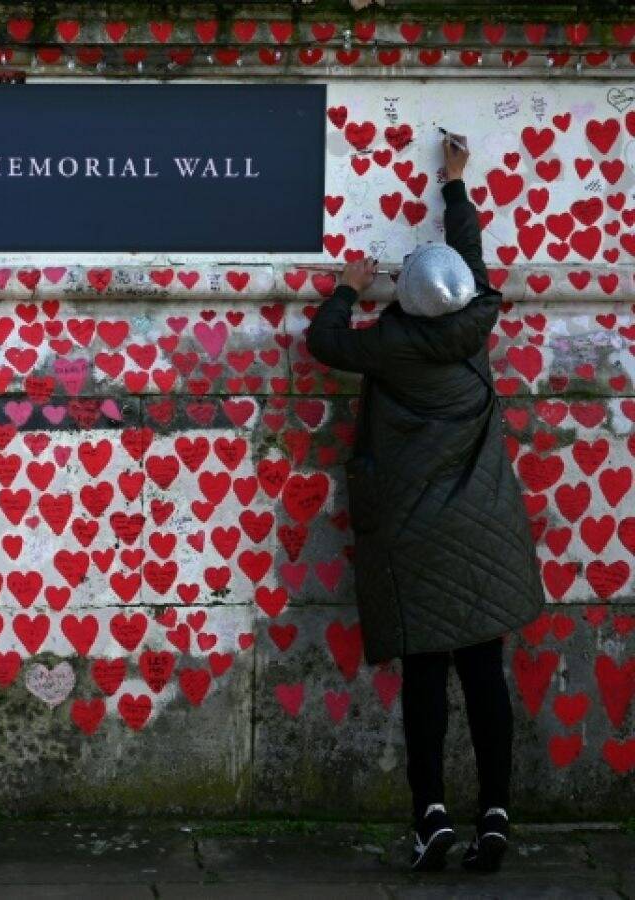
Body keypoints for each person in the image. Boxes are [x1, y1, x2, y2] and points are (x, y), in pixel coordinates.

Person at [304, 134, 545, 873]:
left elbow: (325, 340)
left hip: (415, 536)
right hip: (484, 532)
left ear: (406, 297)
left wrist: (347, 284)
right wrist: (455, 186)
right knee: (484, 676)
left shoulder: (388, 346)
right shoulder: (479, 328)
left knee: (424, 679)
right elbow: (469, 261)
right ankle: (496, 816)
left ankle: (431, 817)